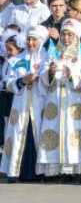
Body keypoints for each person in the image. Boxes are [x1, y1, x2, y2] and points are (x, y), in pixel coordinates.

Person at [36, 18, 81, 182]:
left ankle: (75, 170)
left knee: (74, 131)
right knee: (54, 130)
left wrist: (73, 74)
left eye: (70, 35)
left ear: (77, 36)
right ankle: (54, 170)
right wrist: (50, 72)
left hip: (76, 98)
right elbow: (43, 73)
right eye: (64, 34)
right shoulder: (53, 51)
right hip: (55, 98)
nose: (66, 38)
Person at [2, 25, 48, 181]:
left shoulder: (47, 58)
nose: (30, 43)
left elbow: (51, 81)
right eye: (28, 39)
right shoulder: (16, 60)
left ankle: (40, 173)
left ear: (41, 41)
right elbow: (6, 82)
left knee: (37, 135)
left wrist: (41, 79)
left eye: (34, 39)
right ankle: (15, 171)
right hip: (20, 105)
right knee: (18, 135)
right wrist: (22, 80)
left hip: (38, 104)